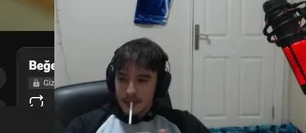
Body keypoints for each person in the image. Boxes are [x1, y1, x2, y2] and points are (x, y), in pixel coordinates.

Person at [62, 38, 211, 133]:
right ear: (112, 80)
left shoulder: (183, 124)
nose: (130, 91)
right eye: (122, 78)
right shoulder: (86, 126)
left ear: (160, 84)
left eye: (142, 80)